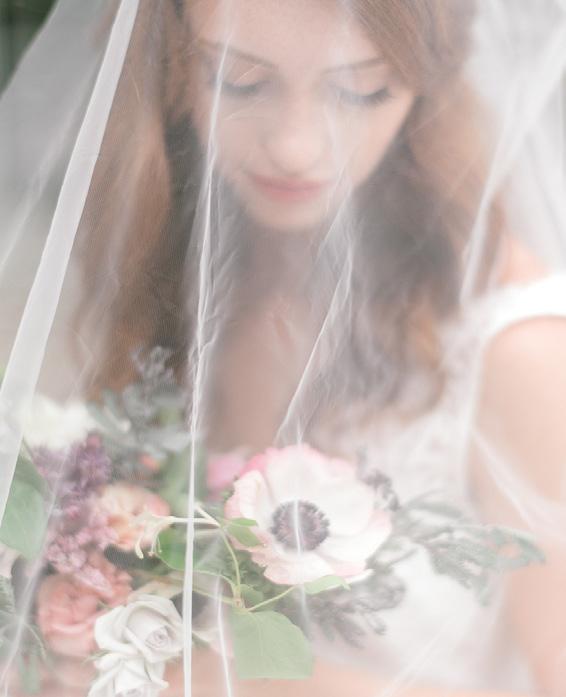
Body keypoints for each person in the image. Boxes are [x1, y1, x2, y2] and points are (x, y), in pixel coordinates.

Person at [1, 1, 566, 695]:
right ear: (171, 66)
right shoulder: (155, 277)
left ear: (428, 79)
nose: (295, 146)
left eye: (360, 89)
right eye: (237, 80)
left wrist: (218, 679)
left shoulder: (518, 349)